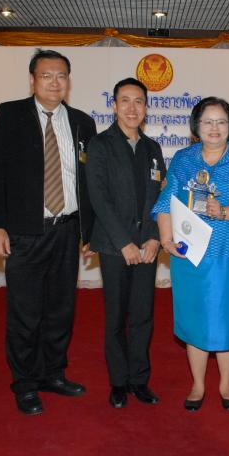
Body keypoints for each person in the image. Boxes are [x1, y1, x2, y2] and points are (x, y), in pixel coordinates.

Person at [0, 49, 96, 416]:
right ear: (32, 79)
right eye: (46, 75)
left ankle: (53, 373)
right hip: (25, 231)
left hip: (67, 229)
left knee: (61, 310)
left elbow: (89, 181)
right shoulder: (10, 114)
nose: (54, 82)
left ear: (68, 81)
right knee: (25, 312)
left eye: (61, 75)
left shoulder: (82, 122)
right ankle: (25, 382)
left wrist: (90, 230)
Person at [152, 97, 229, 412]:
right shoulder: (183, 159)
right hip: (189, 256)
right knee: (195, 319)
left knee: (225, 318)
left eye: (221, 121)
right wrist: (165, 239)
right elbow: (166, 200)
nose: (214, 128)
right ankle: (198, 384)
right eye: (207, 121)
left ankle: (226, 384)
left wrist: (225, 212)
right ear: (196, 126)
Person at [86, 78, 166, 409]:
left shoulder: (153, 148)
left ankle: (139, 380)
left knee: (143, 316)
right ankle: (118, 381)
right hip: (113, 246)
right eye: (125, 101)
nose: (132, 108)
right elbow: (99, 198)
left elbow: (160, 198)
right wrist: (124, 243)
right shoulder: (100, 145)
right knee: (116, 316)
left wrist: (154, 237)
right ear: (114, 105)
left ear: (146, 107)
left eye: (139, 101)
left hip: (147, 246)